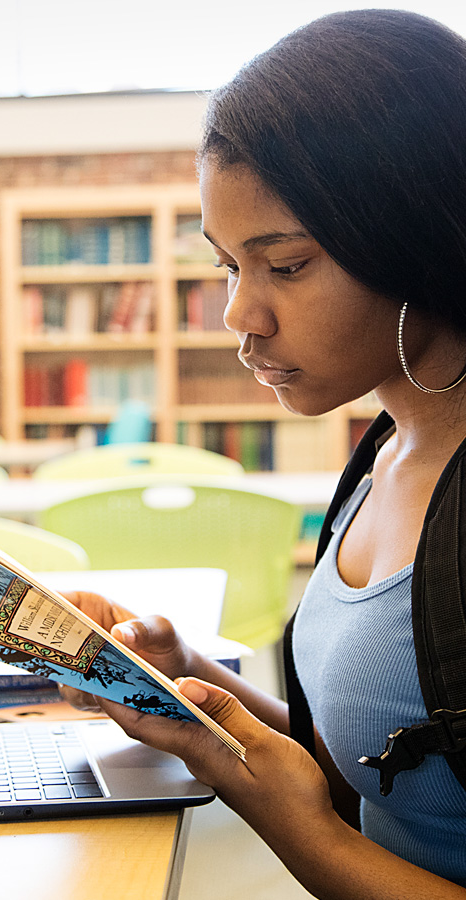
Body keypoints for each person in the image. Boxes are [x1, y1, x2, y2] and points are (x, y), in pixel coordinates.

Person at [60, 9, 466, 896]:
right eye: (227, 268)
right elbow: (382, 761)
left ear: (419, 233)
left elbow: (333, 802)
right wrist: (189, 680)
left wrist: (278, 814)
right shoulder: (386, 452)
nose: (241, 317)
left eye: (284, 266)